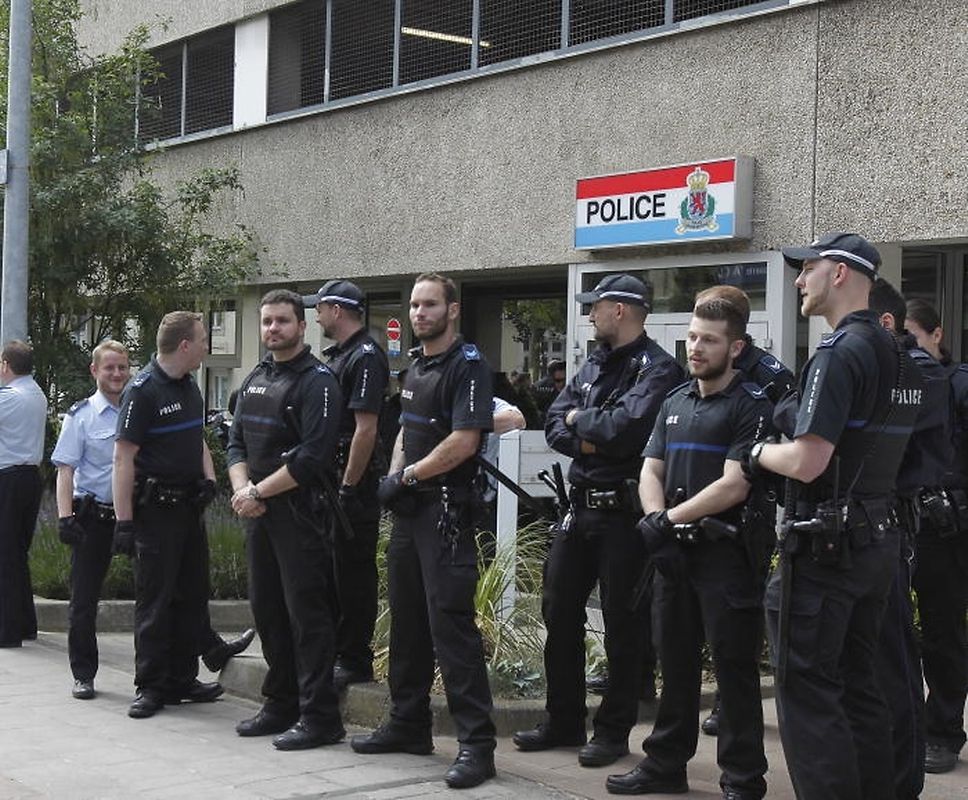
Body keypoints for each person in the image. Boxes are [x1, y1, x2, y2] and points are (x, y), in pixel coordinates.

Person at [751, 233, 923, 799]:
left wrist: (755, 452)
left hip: (827, 550)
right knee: (857, 687)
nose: (800, 280)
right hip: (874, 542)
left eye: (810, 269)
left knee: (807, 696)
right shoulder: (900, 353)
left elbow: (807, 461)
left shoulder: (839, 351)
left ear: (842, 274)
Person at [514, 274, 684, 768]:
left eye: (597, 306)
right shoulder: (592, 362)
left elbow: (626, 430)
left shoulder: (658, 370)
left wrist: (584, 426)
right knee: (558, 610)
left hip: (624, 515)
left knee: (622, 624)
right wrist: (587, 431)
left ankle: (612, 731)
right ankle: (563, 718)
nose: (590, 313)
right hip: (580, 506)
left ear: (623, 311)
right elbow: (554, 422)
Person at [605, 292, 771, 797]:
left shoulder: (750, 405)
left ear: (736, 347)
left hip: (725, 556)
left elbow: (734, 484)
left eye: (709, 340)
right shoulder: (675, 400)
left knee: (733, 669)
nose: (696, 347)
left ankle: (743, 778)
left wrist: (667, 518)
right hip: (673, 556)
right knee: (675, 665)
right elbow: (650, 466)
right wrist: (657, 521)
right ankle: (665, 765)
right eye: (693, 337)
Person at [350, 272, 498, 790]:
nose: (419, 313)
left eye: (430, 305)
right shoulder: (416, 364)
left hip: (445, 513)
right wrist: (396, 475)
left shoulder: (468, 366)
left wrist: (408, 477)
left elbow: (464, 440)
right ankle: (408, 723)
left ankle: (477, 745)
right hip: (412, 511)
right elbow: (407, 435)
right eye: (414, 305)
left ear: (452, 310)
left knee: (450, 627)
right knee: (407, 622)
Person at [53, 340, 253, 700]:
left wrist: (208, 479)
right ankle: (84, 673)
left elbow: (192, 441)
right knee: (84, 601)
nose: (117, 374)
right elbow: (66, 470)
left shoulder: (146, 402)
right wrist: (65, 517)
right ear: (94, 371)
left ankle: (199, 657)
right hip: (95, 517)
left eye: (122, 367)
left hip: (142, 513)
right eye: (109, 367)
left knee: (171, 590)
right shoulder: (81, 416)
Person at [227, 289, 345, 750]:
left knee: (307, 617)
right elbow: (235, 443)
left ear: (302, 325)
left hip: (300, 515)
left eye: (282, 321)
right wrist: (242, 491)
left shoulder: (318, 382)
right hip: (257, 511)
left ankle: (320, 717)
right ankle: (280, 702)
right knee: (268, 610)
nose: (273, 328)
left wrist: (257, 491)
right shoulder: (257, 376)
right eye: (267, 321)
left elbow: (313, 458)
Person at [692, 285, 795, 738]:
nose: (698, 342)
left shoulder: (769, 377)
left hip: (748, 506)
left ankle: (733, 707)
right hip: (702, 503)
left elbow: (787, 436)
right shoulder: (703, 369)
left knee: (739, 620)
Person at [113, 313, 224, 719]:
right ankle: (151, 685)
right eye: (203, 340)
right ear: (184, 346)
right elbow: (123, 459)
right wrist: (124, 522)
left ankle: (183, 678)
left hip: (188, 509)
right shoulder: (143, 391)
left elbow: (196, 439)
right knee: (155, 601)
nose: (207, 347)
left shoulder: (189, 386)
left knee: (191, 595)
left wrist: (209, 479)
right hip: (155, 513)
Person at [869, 279, 949, 799]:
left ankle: (904, 779)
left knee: (898, 655)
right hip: (871, 528)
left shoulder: (916, 370)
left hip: (898, 523)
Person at [305, 279, 389, 690]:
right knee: (330, 572)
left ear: (337, 310)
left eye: (319, 307)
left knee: (352, 574)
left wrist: (349, 488)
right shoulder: (339, 355)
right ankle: (338, 650)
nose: (316, 315)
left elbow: (365, 430)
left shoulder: (365, 357)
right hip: (330, 479)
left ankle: (354, 658)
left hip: (350, 481)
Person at [904, 299, 967, 775]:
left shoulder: (960, 385)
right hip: (898, 522)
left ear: (937, 335)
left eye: (915, 339)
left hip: (948, 528)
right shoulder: (892, 383)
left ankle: (943, 731)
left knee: (943, 631)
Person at [0, 340, 48, 647]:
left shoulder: (9, 397)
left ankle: (8, 630)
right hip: (31, 477)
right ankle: (26, 622)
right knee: (16, 552)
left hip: (9, 479)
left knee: (5, 555)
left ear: (6, 364)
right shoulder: (37, 394)